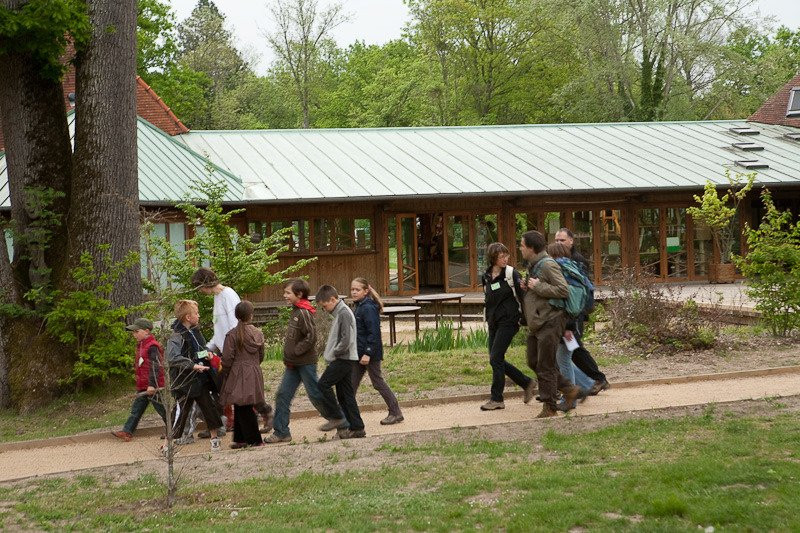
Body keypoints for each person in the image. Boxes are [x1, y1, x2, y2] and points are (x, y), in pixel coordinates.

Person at [265, 278, 339, 444]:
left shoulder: (304, 313)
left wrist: (296, 351)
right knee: (282, 395)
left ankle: (341, 422)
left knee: (315, 395)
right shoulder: (296, 311)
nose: (285, 295)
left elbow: (311, 336)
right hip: (293, 365)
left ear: (299, 294)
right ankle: (281, 432)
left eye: (288, 293)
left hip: (305, 363)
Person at [519, 230, 581, 418]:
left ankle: (550, 407)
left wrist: (537, 286)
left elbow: (563, 290)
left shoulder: (548, 264)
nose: (520, 249)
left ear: (531, 248)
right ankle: (569, 389)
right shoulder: (534, 265)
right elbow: (541, 289)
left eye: (522, 245)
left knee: (545, 365)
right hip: (538, 321)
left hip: (551, 320)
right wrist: (529, 287)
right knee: (533, 361)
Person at [479, 243, 537, 411]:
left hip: (509, 321)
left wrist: (526, 319)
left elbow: (524, 297)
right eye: (501, 257)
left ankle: (497, 398)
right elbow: (488, 298)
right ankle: (526, 382)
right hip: (493, 321)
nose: (505, 259)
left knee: (495, 358)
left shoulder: (512, 274)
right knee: (495, 359)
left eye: (506, 256)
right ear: (493, 258)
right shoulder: (486, 276)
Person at [554, 228, 611, 394]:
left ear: (571, 241)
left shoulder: (577, 260)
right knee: (569, 349)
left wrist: (581, 312)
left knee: (574, 348)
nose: (559, 243)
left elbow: (582, 288)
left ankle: (597, 379)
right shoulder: (560, 260)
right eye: (556, 240)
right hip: (568, 313)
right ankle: (586, 382)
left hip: (575, 313)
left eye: (562, 240)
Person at [166, 299, 224, 451]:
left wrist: (207, 354)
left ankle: (214, 439)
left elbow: (198, 352)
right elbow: (173, 358)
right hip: (184, 381)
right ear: (188, 317)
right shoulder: (176, 336)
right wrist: (192, 365)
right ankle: (167, 444)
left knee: (209, 407)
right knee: (180, 412)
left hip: (200, 378)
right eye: (196, 313)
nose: (198, 316)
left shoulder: (195, 332)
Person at [546, 242, 595, 411]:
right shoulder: (573, 267)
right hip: (574, 322)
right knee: (563, 358)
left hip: (567, 323)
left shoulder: (561, 271)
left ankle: (571, 398)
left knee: (563, 359)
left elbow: (564, 300)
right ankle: (585, 385)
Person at [350, 277, 404, 425]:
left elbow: (373, 333)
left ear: (365, 291)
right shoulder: (359, 306)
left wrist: (367, 353)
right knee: (351, 385)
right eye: (352, 289)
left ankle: (395, 412)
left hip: (369, 354)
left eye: (357, 290)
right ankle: (346, 417)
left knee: (377, 382)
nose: (354, 292)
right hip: (359, 353)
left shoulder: (368, 308)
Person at [315, 284, 366, 439]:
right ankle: (357, 427)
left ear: (333, 299)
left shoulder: (343, 313)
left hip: (343, 358)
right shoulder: (340, 312)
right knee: (345, 396)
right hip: (345, 358)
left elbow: (346, 339)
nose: (324, 309)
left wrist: (335, 352)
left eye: (324, 306)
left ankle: (336, 416)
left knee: (323, 385)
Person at [220, 301, 266, 449]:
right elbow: (261, 355)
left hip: (238, 372)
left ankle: (255, 439)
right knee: (241, 404)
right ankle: (240, 439)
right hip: (254, 370)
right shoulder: (258, 333)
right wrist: (253, 365)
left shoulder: (232, 335)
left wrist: (226, 371)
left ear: (236, 315)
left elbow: (227, 358)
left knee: (244, 405)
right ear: (251, 315)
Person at [112, 318, 166, 442]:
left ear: (146, 331)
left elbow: (155, 367)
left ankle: (175, 428)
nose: (134, 334)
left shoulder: (152, 346)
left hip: (153, 386)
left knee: (162, 409)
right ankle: (127, 431)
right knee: (136, 409)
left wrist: (152, 385)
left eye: (136, 331)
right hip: (143, 385)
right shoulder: (141, 345)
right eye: (133, 332)